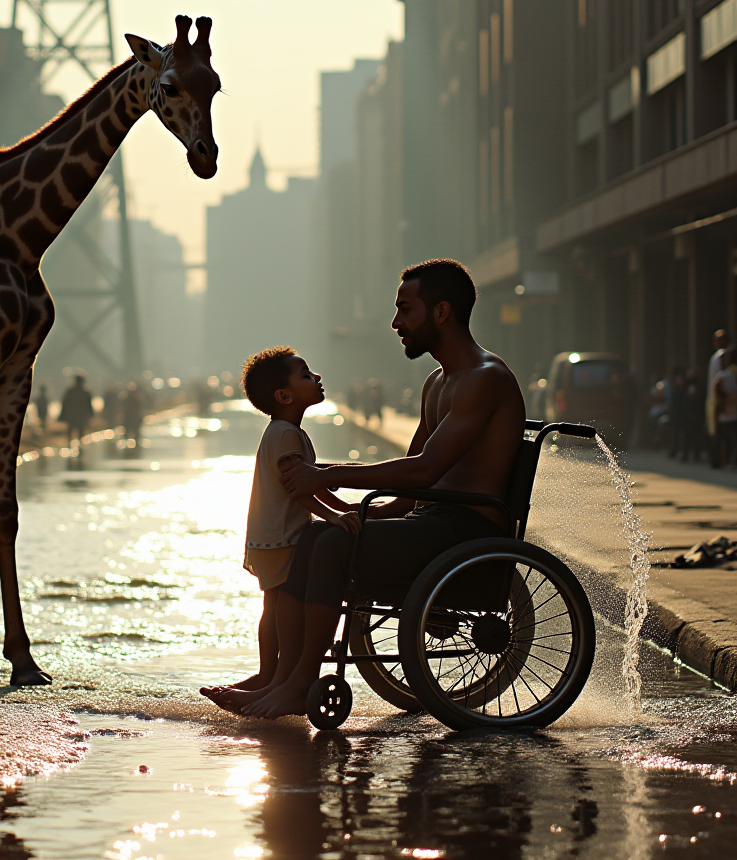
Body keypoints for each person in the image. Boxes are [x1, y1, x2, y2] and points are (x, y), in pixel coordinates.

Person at [208, 259, 525, 720]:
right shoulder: (438, 381)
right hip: (434, 519)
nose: (396, 323)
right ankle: (279, 676)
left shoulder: (483, 377)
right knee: (312, 536)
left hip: (467, 529)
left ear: (441, 312)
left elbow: (423, 469)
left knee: (333, 546)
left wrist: (328, 476)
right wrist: (367, 510)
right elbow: (409, 487)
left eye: (405, 310)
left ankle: (299, 684)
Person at [200, 347, 360, 706]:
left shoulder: (282, 431)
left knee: (271, 607)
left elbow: (311, 483)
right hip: (284, 539)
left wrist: (342, 507)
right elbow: (296, 485)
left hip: (268, 537)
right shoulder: (287, 434)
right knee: (284, 607)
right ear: (284, 395)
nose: (316, 377)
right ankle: (279, 676)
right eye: (306, 375)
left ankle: (268, 675)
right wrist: (332, 516)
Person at [707, 329, 728, 467]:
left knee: (721, 430)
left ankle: (721, 459)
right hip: (713, 397)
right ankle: (716, 458)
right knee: (715, 429)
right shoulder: (717, 356)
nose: (715, 342)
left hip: (719, 398)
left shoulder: (723, 356)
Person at [714, 350, 737, 467]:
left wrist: (723, 401)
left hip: (725, 411)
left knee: (725, 438)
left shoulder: (721, 376)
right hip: (733, 410)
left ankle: (725, 459)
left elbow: (717, 393)